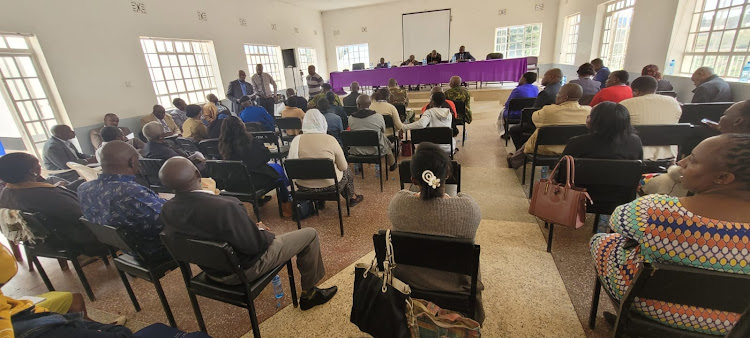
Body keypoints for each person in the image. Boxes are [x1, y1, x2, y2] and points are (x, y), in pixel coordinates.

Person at [590, 133, 750, 335]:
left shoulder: (656, 209)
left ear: (723, 178)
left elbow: (616, 221)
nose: (681, 162)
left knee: (604, 240)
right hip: (736, 323)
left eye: (692, 160)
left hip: (649, 305)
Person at [158, 157, 338, 310]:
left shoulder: (167, 209)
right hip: (242, 270)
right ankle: (310, 294)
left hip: (210, 271)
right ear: (198, 174)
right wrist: (262, 232)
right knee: (310, 234)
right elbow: (256, 246)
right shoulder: (226, 206)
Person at [387, 142, 484, 324]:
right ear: (447, 173)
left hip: (408, 287)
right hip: (456, 292)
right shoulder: (469, 209)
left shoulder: (397, 205)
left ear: (413, 180)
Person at [0, 245, 132, 337]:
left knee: (73, 299)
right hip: (74, 243)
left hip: (15, 310)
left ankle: (89, 326)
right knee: (123, 332)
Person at [78, 141, 170, 258]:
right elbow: (165, 219)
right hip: (153, 249)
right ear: (132, 161)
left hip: (123, 247)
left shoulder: (84, 188)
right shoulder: (129, 191)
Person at [0, 152, 101, 251]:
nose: (40, 167)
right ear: (32, 171)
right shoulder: (44, 194)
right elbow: (80, 213)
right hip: (77, 238)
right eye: (38, 164)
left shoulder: (6, 193)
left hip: (43, 238)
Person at [288, 109, 364, 206]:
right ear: (322, 122)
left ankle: (320, 201)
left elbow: (291, 166)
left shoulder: (296, 140)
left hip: (303, 186)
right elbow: (343, 167)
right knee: (346, 170)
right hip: (330, 186)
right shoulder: (330, 139)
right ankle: (352, 197)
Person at [218, 116, 292, 215]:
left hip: (233, 183)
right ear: (241, 126)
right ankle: (286, 201)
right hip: (254, 182)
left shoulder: (222, 147)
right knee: (277, 169)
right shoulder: (252, 142)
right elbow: (266, 157)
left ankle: (264, 199)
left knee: (274, 170)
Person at [620, 76, 681, 160]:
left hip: (636, 155)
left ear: (636, 91)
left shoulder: (626, 104)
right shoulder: (673, 102)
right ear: (655, 89)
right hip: (668, 156)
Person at [523, 83, 591, 155]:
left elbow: (534, 119)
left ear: (565, 98)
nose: (556, 95)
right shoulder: (589, 111)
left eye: (558, 93)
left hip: (547, 149)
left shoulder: (549, 110)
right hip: (575, 149)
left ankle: (514, 160)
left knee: (536, 134)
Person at [563, 102, 643, 160]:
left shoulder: (577, 142)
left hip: (582, 183)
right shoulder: (635, 141)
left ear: (596, 121)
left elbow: (560, 170)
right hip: (623, 183)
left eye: (591, 116)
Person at [349, 95, 397, 170]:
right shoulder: (378, 116)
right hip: (376, 149)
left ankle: (359, 165)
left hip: (357, 149)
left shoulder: (351, 118)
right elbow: (383, 130)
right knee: (382, 138)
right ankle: (392, 163)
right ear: (370, 104)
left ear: (357, 105)